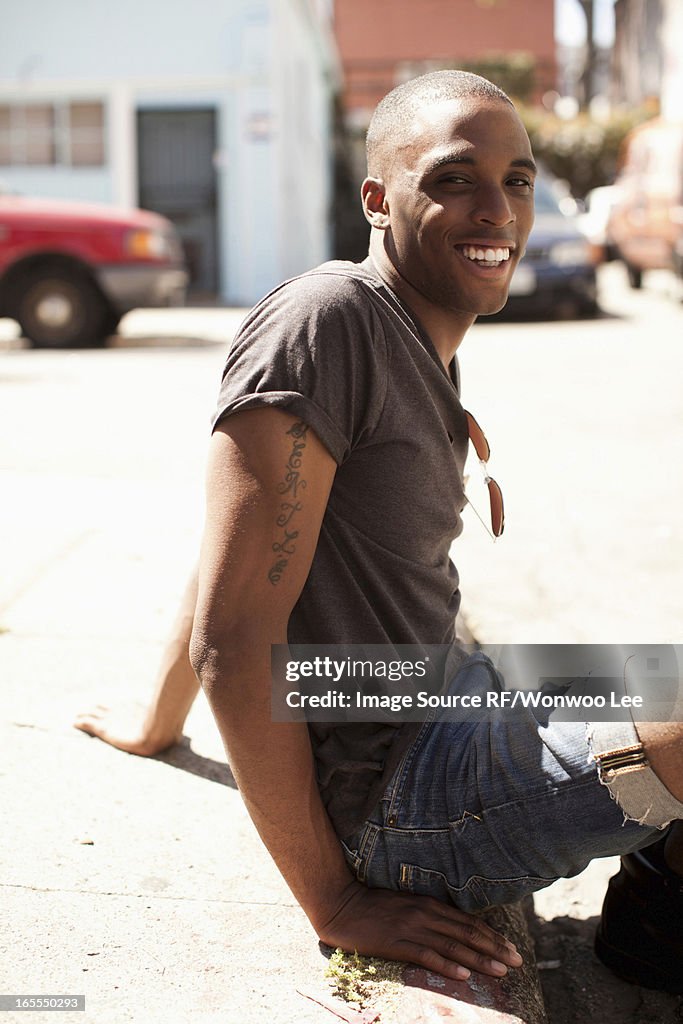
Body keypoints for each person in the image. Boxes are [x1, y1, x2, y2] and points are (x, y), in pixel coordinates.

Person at [77, 70, 683, 992]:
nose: (498, 211)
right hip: (398, 791)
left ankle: (652, 922)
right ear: (377, 198)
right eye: (453, 179)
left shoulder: (415, 328)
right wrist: (333, 901)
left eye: (516, 181)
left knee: (666, 670)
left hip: (440, 687)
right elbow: (237, 634)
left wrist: (157, 724)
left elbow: (229, 554)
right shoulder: (327, 321)